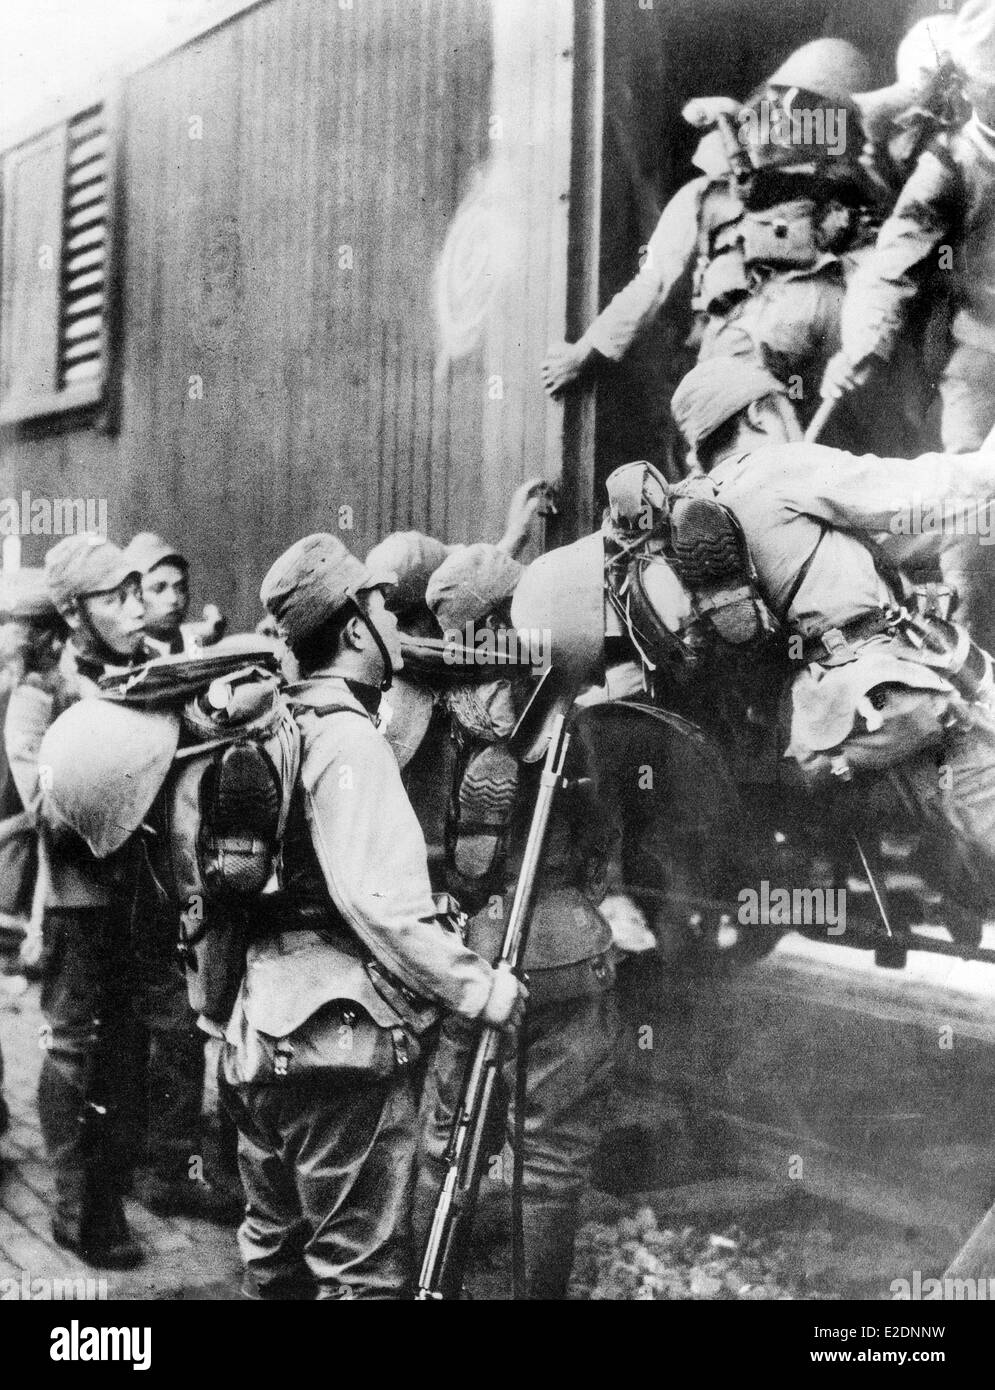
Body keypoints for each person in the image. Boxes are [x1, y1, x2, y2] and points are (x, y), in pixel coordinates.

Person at [218, 534, 526, 1299]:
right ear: (355, 628)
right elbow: (374, 901)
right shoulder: (352, 741)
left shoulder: (285, 722)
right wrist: (477, 988)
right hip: (338, 1047)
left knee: (272, 1250)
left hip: (262, 1031)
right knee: (358, 1272)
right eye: (385, 609)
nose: (396, 624)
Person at [668, 356, 995, 923]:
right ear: (759, 413)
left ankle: (957, 883)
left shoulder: (706, 499)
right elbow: (919, 490)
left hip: (822, 714)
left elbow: (878, 546)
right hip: (892, 686)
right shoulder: (779, 466)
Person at [412, 543, 621, 1300]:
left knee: (446, 1134)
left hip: (472, 945)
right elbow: (606, 830)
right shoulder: (578, 702)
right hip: (566, 939)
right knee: (553, 1155)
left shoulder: (429, 709)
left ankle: (429, 1281)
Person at [541, 40, 875, 430]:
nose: (788, 123)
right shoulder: (713, 197)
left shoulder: (839, 199)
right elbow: (653, 283)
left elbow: (652, 284)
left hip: (777, 352)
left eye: (806, 112)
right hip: (798, 354)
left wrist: (584, 352)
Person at [3, 536, 151, 1267]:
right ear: (74, 611)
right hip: (78, 900)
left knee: (130, 1044)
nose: (135, 609)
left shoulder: (154, 673)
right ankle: (73, 1201)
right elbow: (45, 806)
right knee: (71, 1045)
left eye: (136, 593)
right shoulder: (41, 693)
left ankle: (111, 1192)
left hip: (142, 895)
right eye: (114, 598)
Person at [123, 531, 225, 655]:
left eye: (181, 588)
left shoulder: (192, 641)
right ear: (132, 595)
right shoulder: (121, 655)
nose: (173, 599)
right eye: (158, 589)